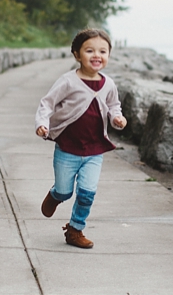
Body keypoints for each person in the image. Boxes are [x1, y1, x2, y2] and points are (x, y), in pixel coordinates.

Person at [35, 28, 127, 248]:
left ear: (108, 55)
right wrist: (42, 123)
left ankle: (75, 229)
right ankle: (56, 194)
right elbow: (47, 103)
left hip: (94, 151)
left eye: (103, 51)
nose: (97, 55)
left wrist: (117, 117)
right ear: (77, 54)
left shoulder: (109, 84)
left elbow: (114, 104)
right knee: (66, 190)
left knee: (87, 193)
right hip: (67, 149)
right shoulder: (68, 81)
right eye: (89, 50)